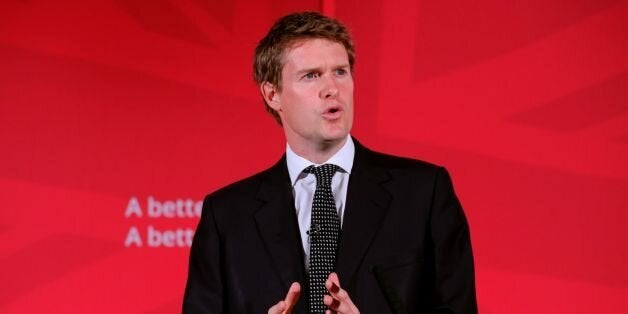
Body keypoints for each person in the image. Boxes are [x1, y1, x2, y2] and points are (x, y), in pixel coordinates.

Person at [183, 11, 477, 314]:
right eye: (311, 75)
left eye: (340, 71)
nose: (331, 88)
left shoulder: (423, 193)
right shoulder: (227, 215)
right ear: (273, 94)